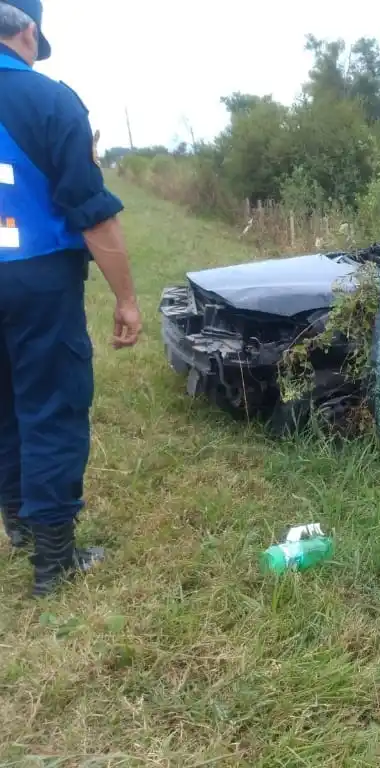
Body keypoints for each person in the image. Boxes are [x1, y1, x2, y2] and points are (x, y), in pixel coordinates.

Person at [0, 0, 142, 597]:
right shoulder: (52, 101)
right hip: (36, 277)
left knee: (5, 401)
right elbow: (91, 213)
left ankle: (21, 526)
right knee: (52, 405)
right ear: (28, 30)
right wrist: (127, 299)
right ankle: (53, 562)